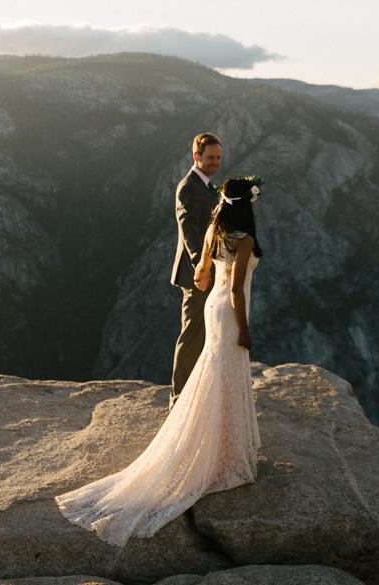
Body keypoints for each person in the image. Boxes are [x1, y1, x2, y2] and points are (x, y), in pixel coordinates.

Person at [54, 175, 264, 547]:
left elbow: (200, 275)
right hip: (231, 313)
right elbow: (236, 289)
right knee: (227, 376)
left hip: (212, 310)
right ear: (248, 205)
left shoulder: (214, 230)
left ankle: (215, 445)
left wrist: (211, 282)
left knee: (213, 374)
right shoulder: (244, 240)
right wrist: (245, 329)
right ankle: (225, 453)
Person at [169, 132, 223, 411]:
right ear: (196, 157)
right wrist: (200, 267)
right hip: (197, 274)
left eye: (218, 158)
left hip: (211, 270)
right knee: (191, 335)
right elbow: (188, 229)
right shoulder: (189, 187)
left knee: (204, 333)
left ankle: (196, 395)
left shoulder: (208, 187)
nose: (215, 162)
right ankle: (178, 400)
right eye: (210, 157)